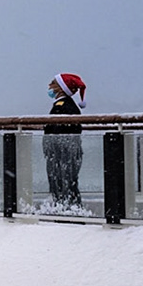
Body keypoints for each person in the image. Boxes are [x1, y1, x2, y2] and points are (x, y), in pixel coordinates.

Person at [43, 73, 87, 208]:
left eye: (53, 83)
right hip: (62, 152)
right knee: (63, 183)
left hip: (63, 153)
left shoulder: (63, 106)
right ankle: (68, 211)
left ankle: (69, 213)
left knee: (64, 183)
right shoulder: (63, 105)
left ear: (61, 88)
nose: (49, 86)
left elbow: (58, 130)